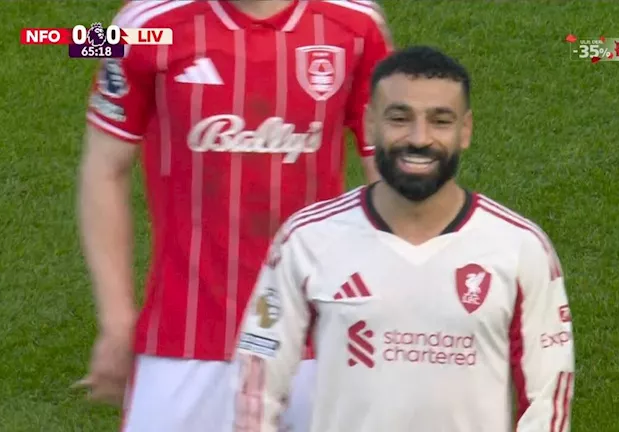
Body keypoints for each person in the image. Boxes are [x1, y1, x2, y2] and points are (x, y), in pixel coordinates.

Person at [75, 0, 392, 431]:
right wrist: (116, 319)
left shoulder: (356, 24)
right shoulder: (142, 25)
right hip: (181, 339)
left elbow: (388, 177)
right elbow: (103, 169)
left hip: (319, 341)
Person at [233, 45, 575, 432]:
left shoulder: (519, 247)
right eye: (400, 118)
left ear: (465, 130)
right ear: (370, 125)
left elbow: (547, 398)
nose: (419, 138)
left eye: (440, 121)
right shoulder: (308, 240)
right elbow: (257, 383)